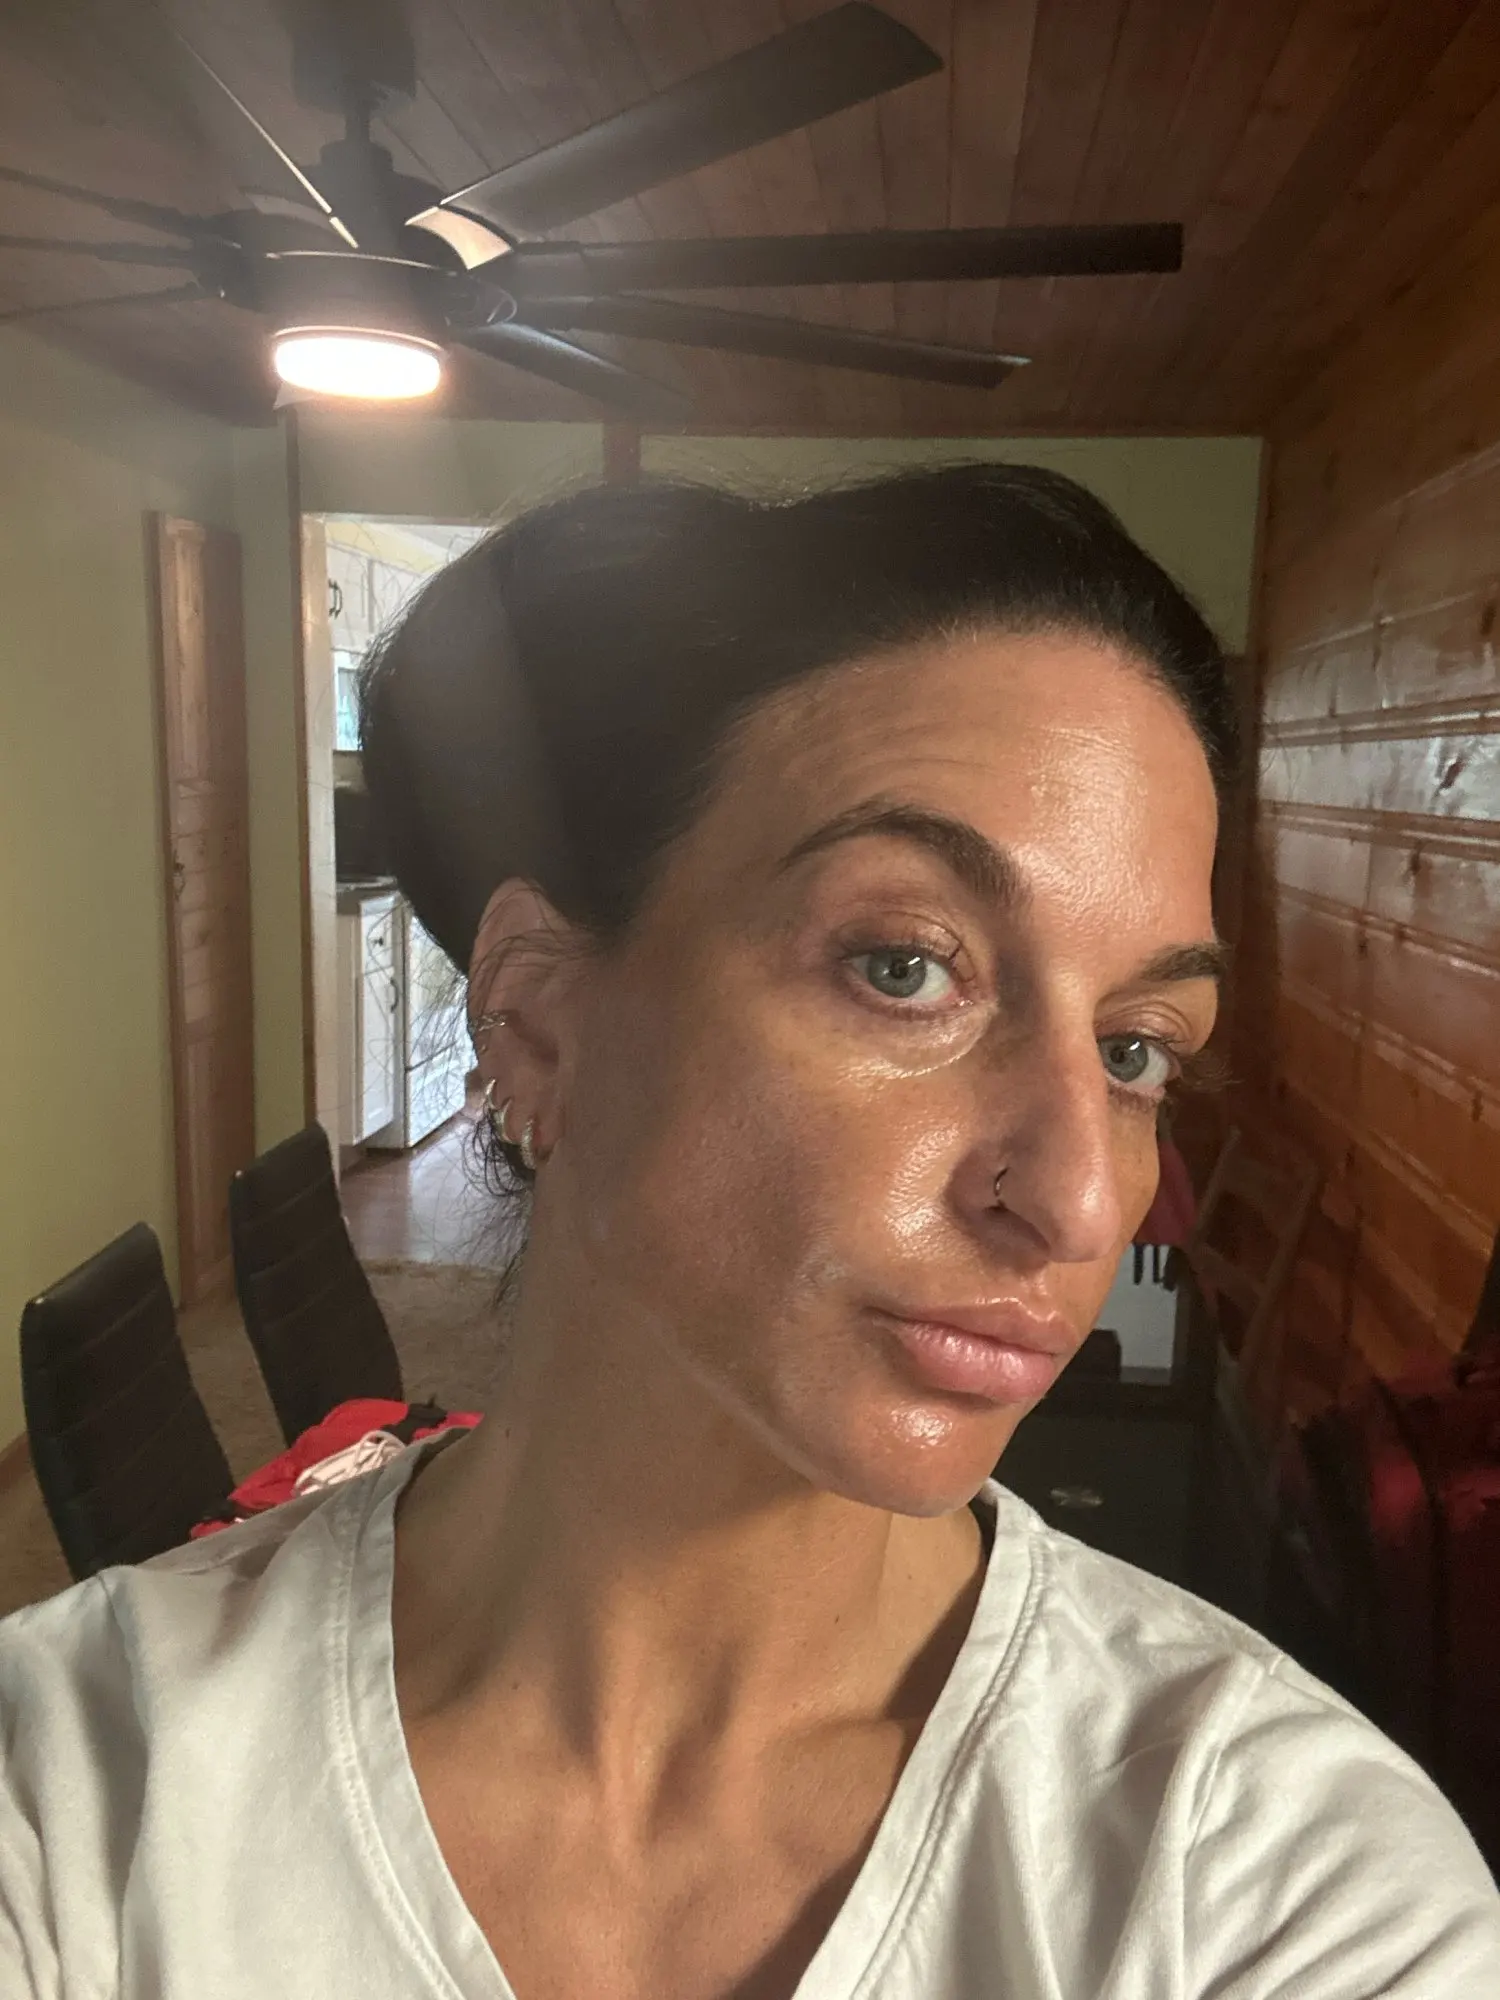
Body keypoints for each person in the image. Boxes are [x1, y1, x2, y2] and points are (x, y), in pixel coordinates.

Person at [2, 465, 1496, 1999]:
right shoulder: (75, 1794)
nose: (1075, 1201)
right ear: (537, 1019)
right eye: (906, 967)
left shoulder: (1286, 1886)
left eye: (1135, 1049)